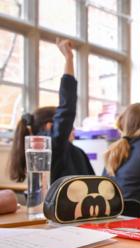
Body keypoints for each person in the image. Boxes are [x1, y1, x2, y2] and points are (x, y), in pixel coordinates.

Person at [8, 38, 94, 184]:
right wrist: (69, 59)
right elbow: (67, 108)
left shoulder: (75, 152)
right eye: (69, 126)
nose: (72, 129)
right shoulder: (51, 149)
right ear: (49, 126)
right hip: (62, 206)